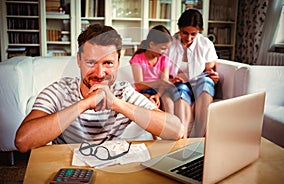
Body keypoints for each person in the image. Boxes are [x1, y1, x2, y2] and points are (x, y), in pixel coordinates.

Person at [15, 24, 185, 153]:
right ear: (79, 60)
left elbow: (176, 130)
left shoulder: (123, 94)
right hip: (67, 171)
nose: (99, 73)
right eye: (91, 62)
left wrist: (115, 103)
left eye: (108, 63)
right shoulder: (59, 91)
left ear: (118, 63)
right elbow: (23, 141)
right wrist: (84, 104)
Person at [167, 9, 219, 137]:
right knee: (181, 90)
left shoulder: (205, 44)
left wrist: (214, 77)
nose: (188, 38)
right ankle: (183, 138)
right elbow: (161, 69)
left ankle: (199, 137)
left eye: (193, 34)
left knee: (206, 82)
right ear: (179, 28)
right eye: (185, 33)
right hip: (178, 83)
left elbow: (209, 70)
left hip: (198, 82)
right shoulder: (169, 44)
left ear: (199, 32)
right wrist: (170, 80)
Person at [129, 25, 175, 109]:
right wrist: (158, 83)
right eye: (163, 48)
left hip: (161, 91)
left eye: (167, 49)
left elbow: (164, 83)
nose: (165, 52)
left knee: (169, 104)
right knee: (151, 104)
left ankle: (170, 122)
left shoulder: (164, 59)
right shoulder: (138, 59)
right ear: (151, 44)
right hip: (143, 91)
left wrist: (158, 95)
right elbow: (139, 85)